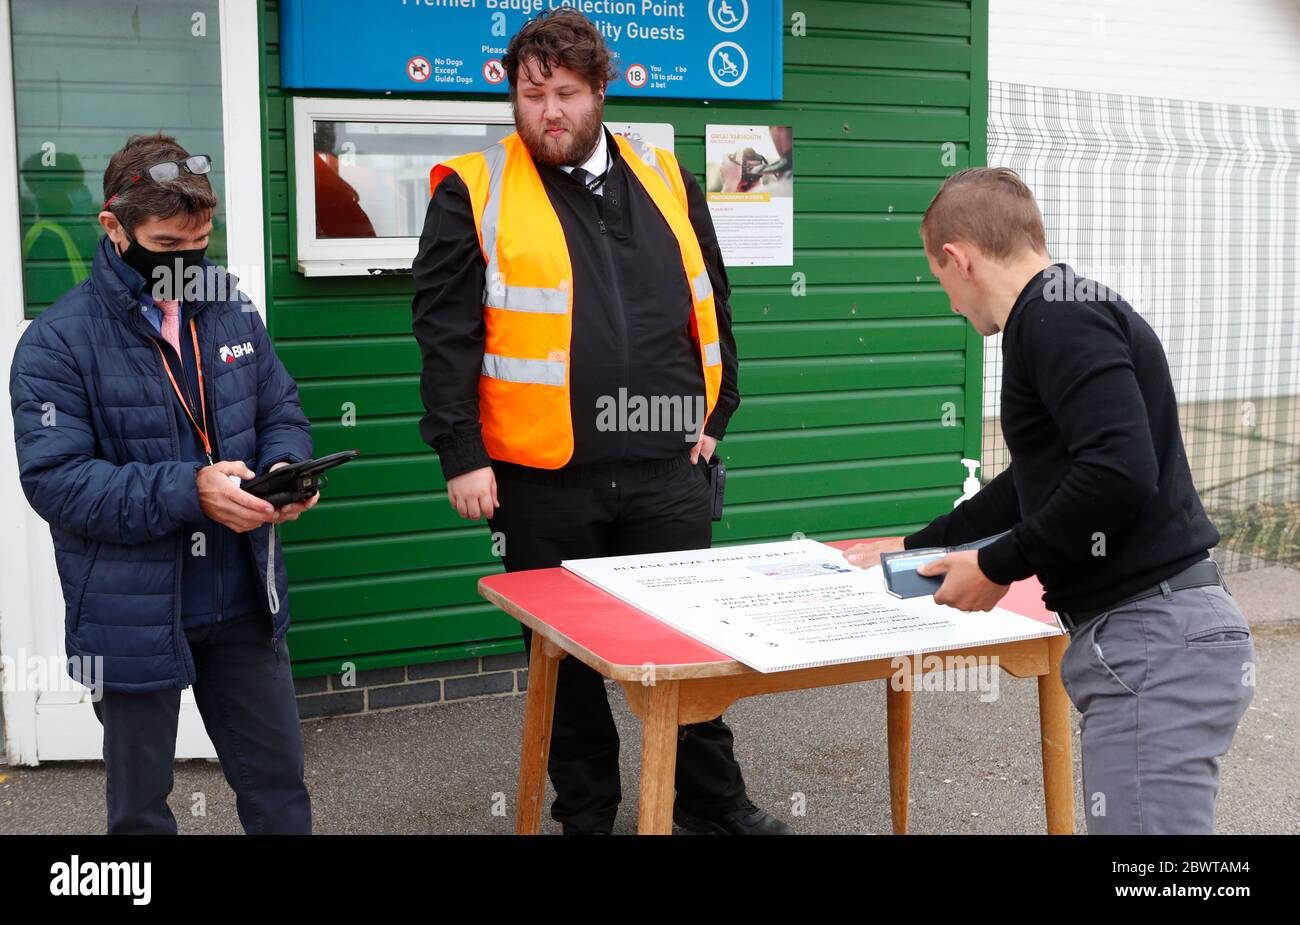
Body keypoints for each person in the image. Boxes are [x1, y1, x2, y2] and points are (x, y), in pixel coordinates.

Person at [411, 10, 791, 835]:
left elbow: (712, 298)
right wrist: (461, 452)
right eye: (532, 91)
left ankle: (711, 804)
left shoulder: (664, 173)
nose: (548, 110)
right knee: (565, 667)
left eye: (567, 94)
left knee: (690, 645)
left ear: (600, 92)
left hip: (666, 467)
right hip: (541, 478)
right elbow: (444, 333)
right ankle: (587, 813)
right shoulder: (471, 188)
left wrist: (719, 410)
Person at [845, 167, 1256, 835]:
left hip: (1153, 639)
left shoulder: (1055, 317)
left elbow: (1120, 472)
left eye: (939, 280)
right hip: (1164, 633)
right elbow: (1036, 480)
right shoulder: (1066, 310)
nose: (949, 302)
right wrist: (920, 545)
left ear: (959, 257)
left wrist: (999, 566)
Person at [10, 133, 317, 835]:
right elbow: (57, 482)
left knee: (277, 786)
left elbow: (281, 409)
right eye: (167, 244)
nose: (187, 261)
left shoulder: (230, 307)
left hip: (243, 593)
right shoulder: (55, 343)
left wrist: (283, 469)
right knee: (141, 811)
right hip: (130, 609)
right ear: (113, 229)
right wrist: (191, 490)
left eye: (200, 241)